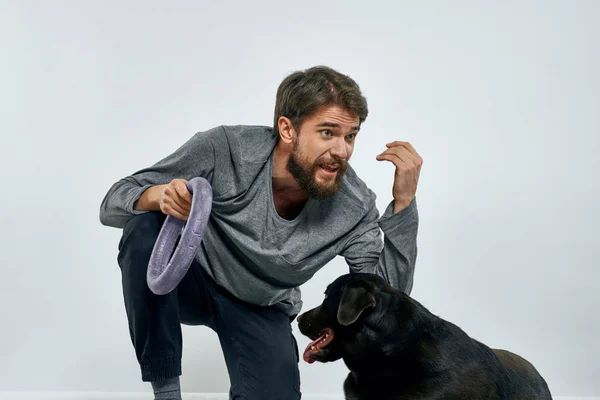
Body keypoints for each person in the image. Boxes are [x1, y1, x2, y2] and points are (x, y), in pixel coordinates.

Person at [99, 65, 422, 400]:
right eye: (328, 132)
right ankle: (167, 393)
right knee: (144, 225)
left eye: (350, 135)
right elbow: (112, 203)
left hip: (261, 306)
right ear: (287, 129)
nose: (342, 151)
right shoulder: (225, 149)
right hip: (189, 281)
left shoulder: (354, 206)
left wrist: (404, 203)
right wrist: (158, 195)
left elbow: (386, 301)